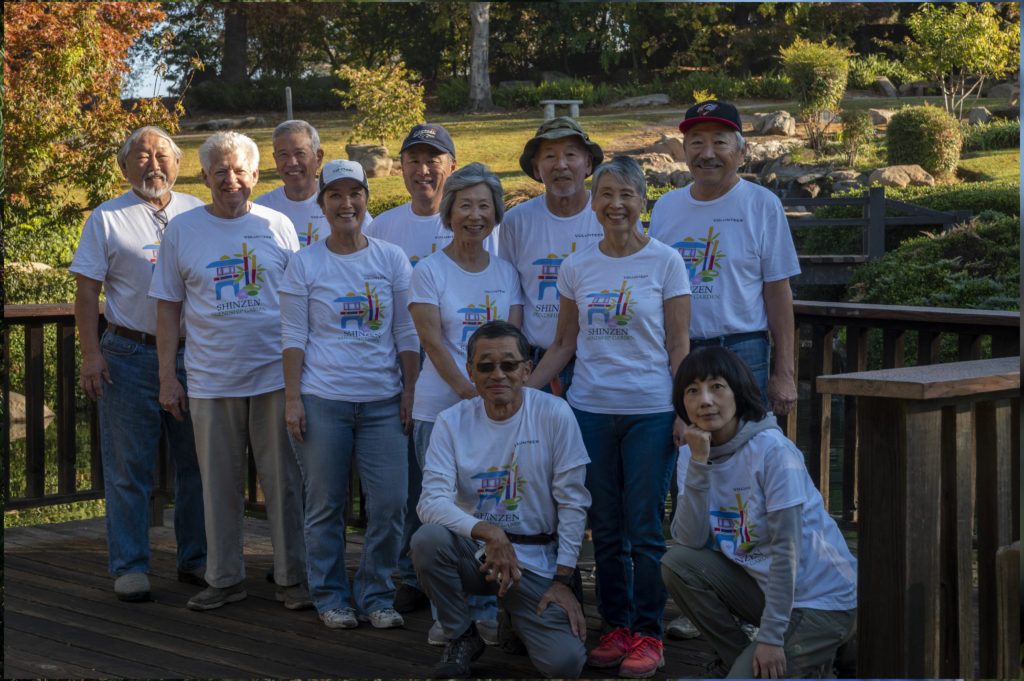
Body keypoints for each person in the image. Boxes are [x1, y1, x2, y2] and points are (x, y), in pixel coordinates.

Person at [527, 156, 691, 678]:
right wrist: (518, 393)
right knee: (606, 526)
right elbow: (563, 344)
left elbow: (679, 346)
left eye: (627, 195)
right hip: (591, 412)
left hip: (649, 411)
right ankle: (615, 626)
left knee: (644, 528)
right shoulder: (577, 265)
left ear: (643, 201)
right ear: (594, 203)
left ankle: (649, 632)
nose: (616, 205)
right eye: (606, 195)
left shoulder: (667, 262)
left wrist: (685, 410)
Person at [647, 99, 802, 642]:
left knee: (748, 471)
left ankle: (764, 592)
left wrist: (784, 372)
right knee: (694, 463)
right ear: (682, 149)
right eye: (696, 142)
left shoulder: (761, 205)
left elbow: (778, 293)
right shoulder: (665, 208)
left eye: (719, 141)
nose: (706, 152)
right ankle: (702, 592)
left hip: (742, 352)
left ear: (741, 149)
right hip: (683, 352)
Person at [150, 131, 309, 612]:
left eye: (240, 170)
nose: (230, 179)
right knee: (216, 483)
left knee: (284, 483)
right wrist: (166, 376)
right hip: (210, 378)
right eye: (220, 171)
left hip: (274, 376)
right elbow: (167, 309)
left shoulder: (278, 225)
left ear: (256, 176)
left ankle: (291, 579)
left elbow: (299, 301)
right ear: (205, 177)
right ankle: (223, 578)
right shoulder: (182, 230)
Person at [280, 159, 419, 630]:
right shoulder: (304, 263)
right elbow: (293, 336)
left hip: (383, 402)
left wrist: (410, 390)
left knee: (390, 504)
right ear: (322, 204)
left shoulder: (390, 258)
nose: (346, 204)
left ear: (366, 199)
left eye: (354, 194)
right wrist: (294, 399)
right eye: (335, 195)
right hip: (324, 400)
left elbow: (405, 330)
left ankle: (377, 594)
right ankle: (331, 596)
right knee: (326, 505)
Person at [70, 125, 207, 602]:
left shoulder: (198, 211)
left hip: (195, 356)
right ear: (124, 166)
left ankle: (197, 561)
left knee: (198, 465)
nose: (153, 164)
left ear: (179, 163)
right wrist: (91, 353)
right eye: (142, 156)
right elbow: (87, 291)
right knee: (129, 469)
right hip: (128, 354)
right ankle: (130, 565)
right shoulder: (106, 218)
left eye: (162, 155)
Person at [662, 346, 857, 678]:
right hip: (766, 592)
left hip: (821, 600)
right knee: (677, 563)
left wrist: (770, 635)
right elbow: (690, 541)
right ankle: (741, 661)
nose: (705, 400)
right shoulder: (692, 453)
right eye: (692, 391)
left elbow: (787, 551)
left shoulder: (773, 451)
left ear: (738, 391)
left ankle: (781, 660)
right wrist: (698, 465)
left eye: (716, 387)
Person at [411, 320, 590, 679]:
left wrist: (564, 579)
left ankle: (515, 617)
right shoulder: (450, 422)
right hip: (477, 553)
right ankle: (462, 635)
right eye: (486, 365)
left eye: (509, 364)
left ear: (527, 370)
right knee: (427, 540)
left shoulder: (555, 414)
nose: (498, 374)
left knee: (565, 665)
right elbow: (429, 502)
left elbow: (573, 501)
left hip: (536, 560)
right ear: (470, 372)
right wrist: (490, 533)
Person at [408, 162, 523, 644]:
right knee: (449, 513)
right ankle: (450, 613)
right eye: (465, 205)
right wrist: (472, 397)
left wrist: (496, 401)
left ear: (496, 214)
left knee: (493, 506)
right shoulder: (429, 271)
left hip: (499, 414)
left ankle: (491, 607)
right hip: (440, 409)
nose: (475, 215)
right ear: (449, 211)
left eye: (485, 206)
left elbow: (513, 344)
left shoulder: (507, 272)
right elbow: (433, 343)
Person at [498, 117, 606, 395]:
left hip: (600, 365)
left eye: (571, 154)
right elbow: (512, 296)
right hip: (537, 362)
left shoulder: (608, 215)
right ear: (536, 168)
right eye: (549, 156)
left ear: (588, 164)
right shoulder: (516, 221)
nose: (561, 165)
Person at [254, 119, 371, 247]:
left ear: (318, 157)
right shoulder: (261, 208)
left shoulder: (346, 209)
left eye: (300, 153)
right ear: (275, 159)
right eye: (283, 155)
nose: (292, 162)